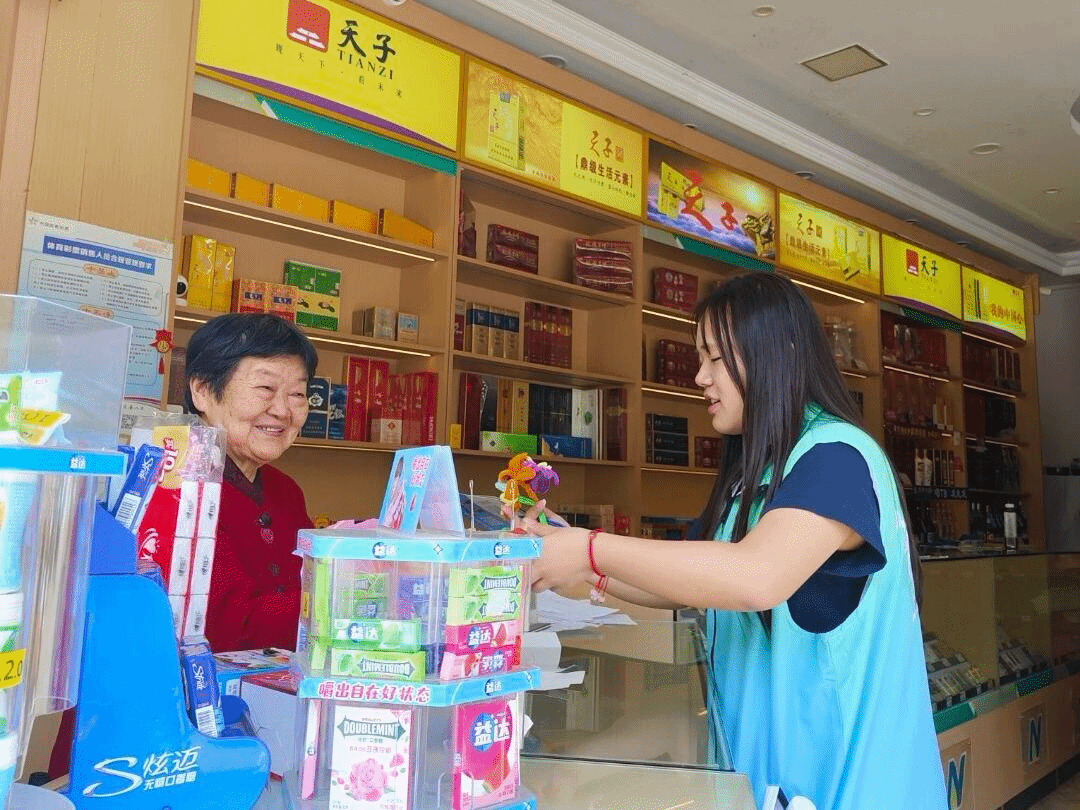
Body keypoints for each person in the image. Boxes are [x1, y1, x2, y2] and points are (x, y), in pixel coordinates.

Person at [520, 273, 946, 810]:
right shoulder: (756, 474)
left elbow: (754, 577)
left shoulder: (837, 457)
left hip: (858, 792)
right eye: (700, 357)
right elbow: (688, 585)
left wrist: (589, 550)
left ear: (779, 354)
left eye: (715, 358)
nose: (700, 376)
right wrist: (580, 565)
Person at [185, 312, 317, 653]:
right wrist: (342, 595)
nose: (282, 411)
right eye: (265, 389)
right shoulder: (180, 484)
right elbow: (231, 626)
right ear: (203, 391)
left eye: (297, 394)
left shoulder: (286, 491)